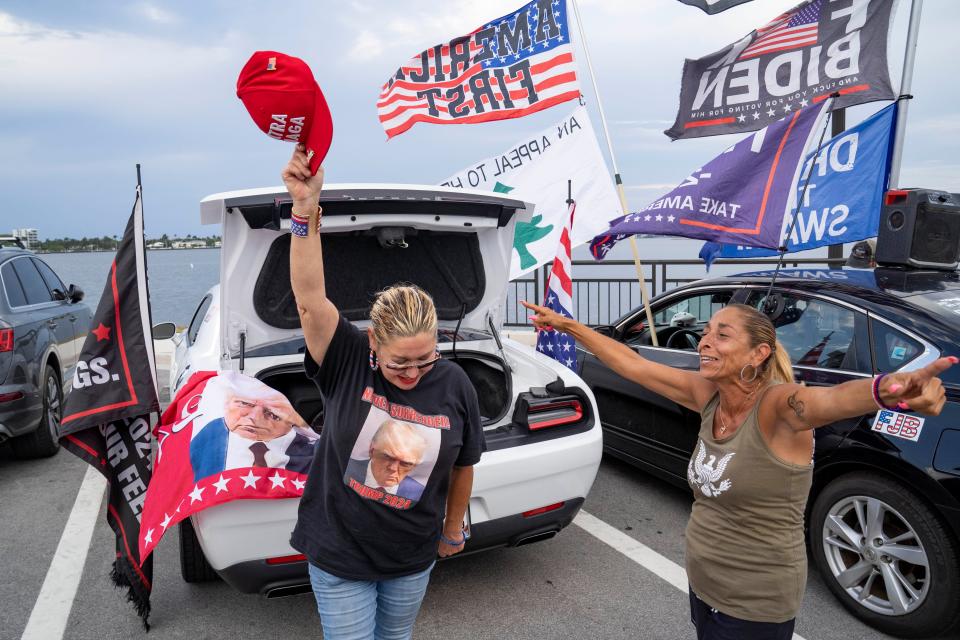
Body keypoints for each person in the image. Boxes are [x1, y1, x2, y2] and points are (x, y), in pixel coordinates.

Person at [522, 298, 953, 639]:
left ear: (759, 352)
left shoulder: (778, 406)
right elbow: (634, 366)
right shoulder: (707, 393)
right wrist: (568, 326)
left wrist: (891, 390)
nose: (704, 342)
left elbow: (828, 401)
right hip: (704, 586)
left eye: (721, 335)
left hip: (754, 606)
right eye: (705, 333)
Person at [284, 146, 484, 640]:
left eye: (425, 359)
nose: (414, 372)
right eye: (399, 363)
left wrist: (454, 528)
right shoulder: (348, 358)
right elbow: (310, 301)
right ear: (374, 342)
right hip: (339, 551)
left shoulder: (455, 384)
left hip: (412, 556)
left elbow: (464, 464)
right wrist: (304, 212)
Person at [190, 371, 314, 482]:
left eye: (273, 414)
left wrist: (301, 422)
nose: (254, 418)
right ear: (226, 404)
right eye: (244, 404)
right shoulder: (203, 436)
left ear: (291, 424)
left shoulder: (309, 451)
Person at [346, 419, 428, 502]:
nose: (393, 468)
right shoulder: (347, 468)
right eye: (387, 457)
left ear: (414, 466)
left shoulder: (419, 493)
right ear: (371, 451)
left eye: (405, 463)